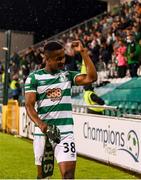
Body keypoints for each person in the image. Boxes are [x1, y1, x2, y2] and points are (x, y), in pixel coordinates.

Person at [24, 40, 97, 179]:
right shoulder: (34, 78)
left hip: (65, 133)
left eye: (63, 57)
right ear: (47, 59)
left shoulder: (67, 76)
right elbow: (29, 105)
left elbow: (91, 77)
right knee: (43, 177)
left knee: (69, 176)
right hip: (43, 134)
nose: (62, 61)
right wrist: (43, 126)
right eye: (58, 59)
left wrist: (83, 52)